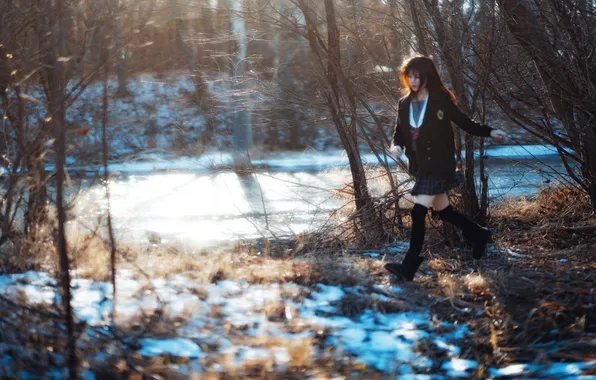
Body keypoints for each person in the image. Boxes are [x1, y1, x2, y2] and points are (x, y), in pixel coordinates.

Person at [385, 55, 507, 282]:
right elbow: (398, 132)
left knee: (418, 212)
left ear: (427, 76)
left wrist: (489, 131)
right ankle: (479, 234)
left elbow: (464, 122)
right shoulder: (404, 104)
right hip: (420, 166)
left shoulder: (440, 98)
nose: (413, 81)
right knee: (444, 211)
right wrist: (397, 146)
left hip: (439, 163)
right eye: (409, 76)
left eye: (417, 77)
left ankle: (408, 266)